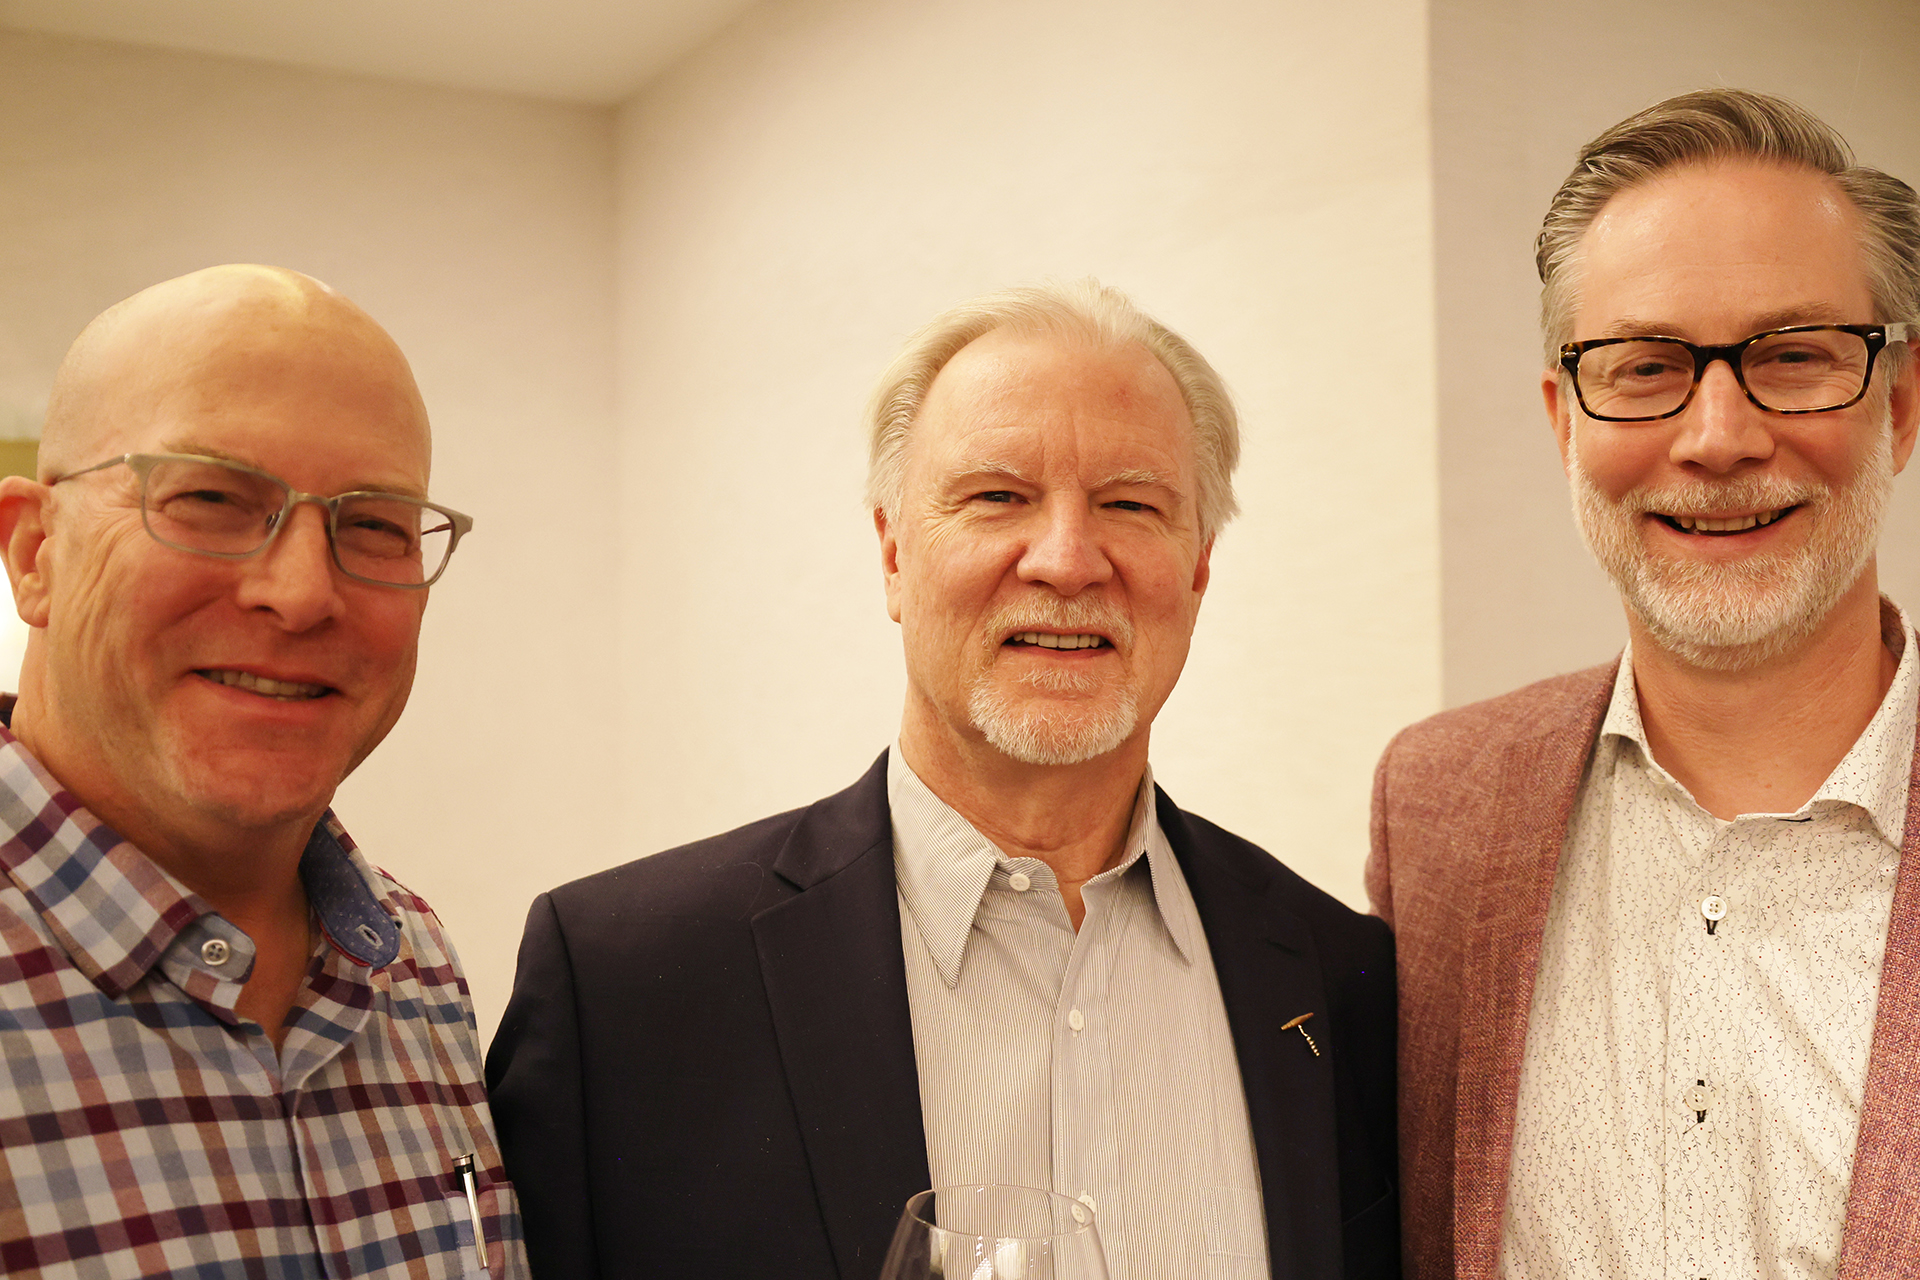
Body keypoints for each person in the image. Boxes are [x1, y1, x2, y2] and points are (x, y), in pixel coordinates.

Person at [489, 279, 1399, 1280]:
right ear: (891, 550)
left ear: (1198, 568)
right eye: (997, 496)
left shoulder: (1341, 979)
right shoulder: (626, 986)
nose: (1065, 559)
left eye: (1131, 504)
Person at [1370, 89, 1920, 1278]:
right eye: (1645, 367)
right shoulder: (1439, 813)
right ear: (1566, 422)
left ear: (1903, 405)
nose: (1717, 434)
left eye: (1792, 357)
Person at [0, 265, 524, 1279]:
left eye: (372, 523)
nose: (300, 592)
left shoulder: (411, 967)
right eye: (209, 498)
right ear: (33, 552)